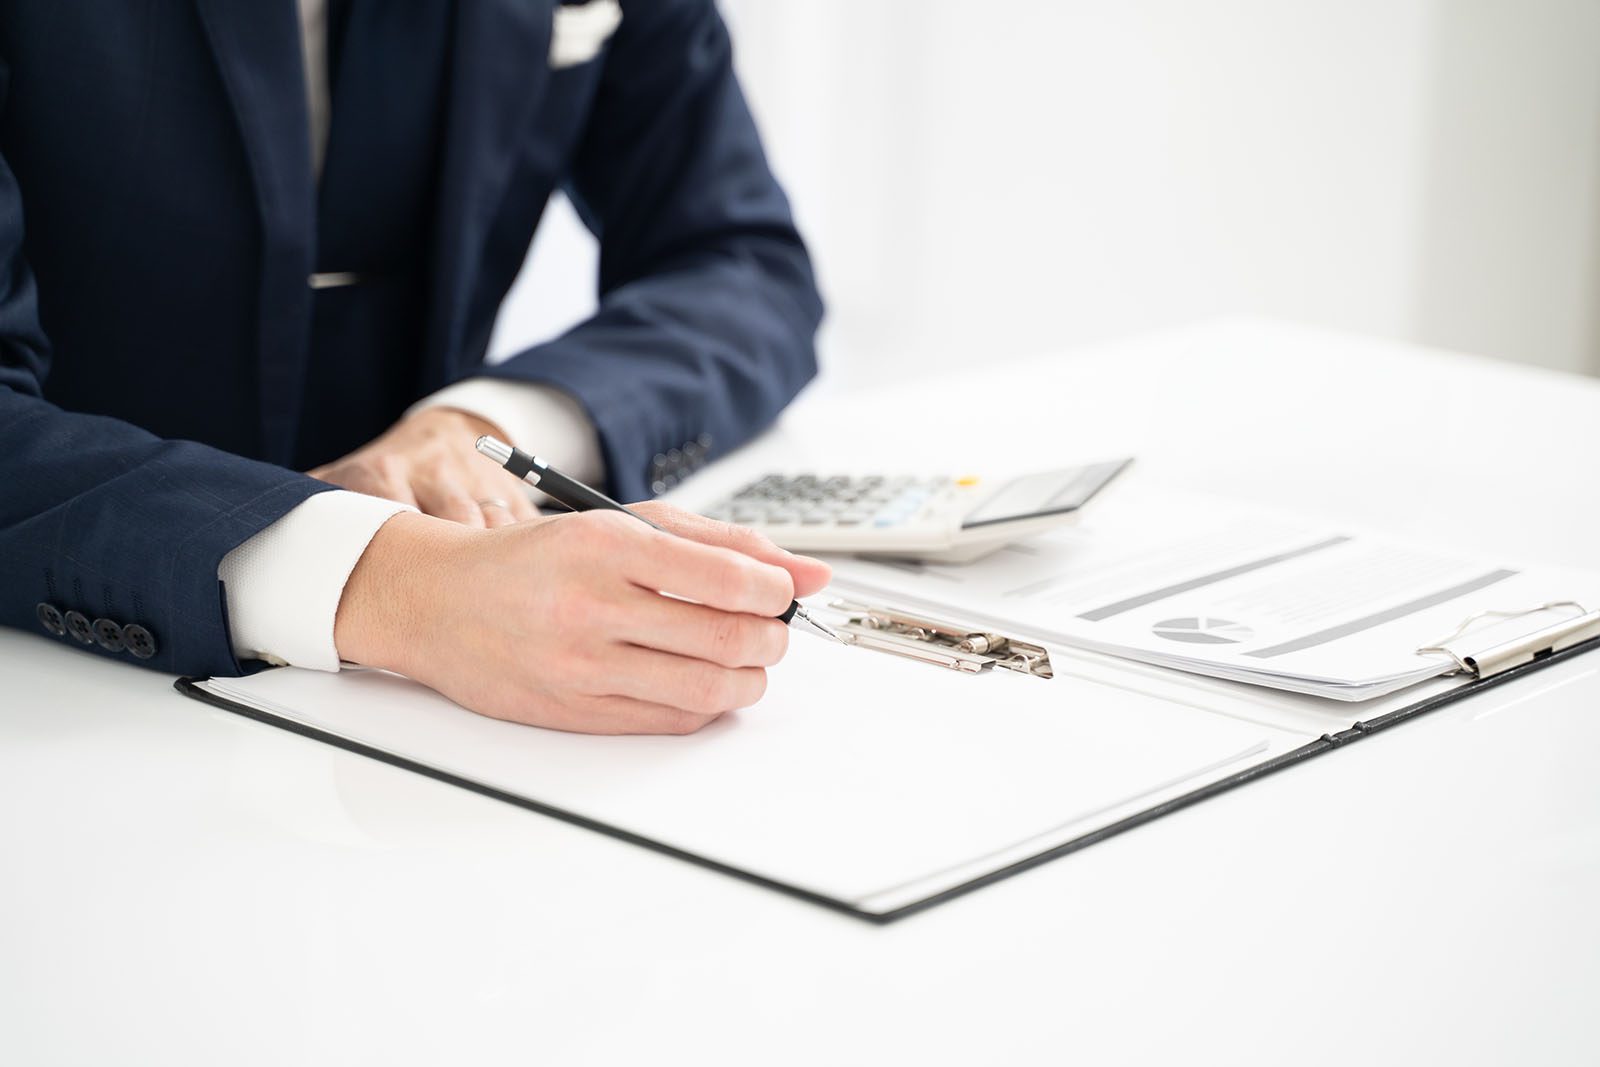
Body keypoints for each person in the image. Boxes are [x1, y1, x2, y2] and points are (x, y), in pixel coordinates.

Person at [0, 0, 831, 734]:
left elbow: (743, 264)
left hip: (399, 720)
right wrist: (394, 584)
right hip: (65, 681)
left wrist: (481, 426)